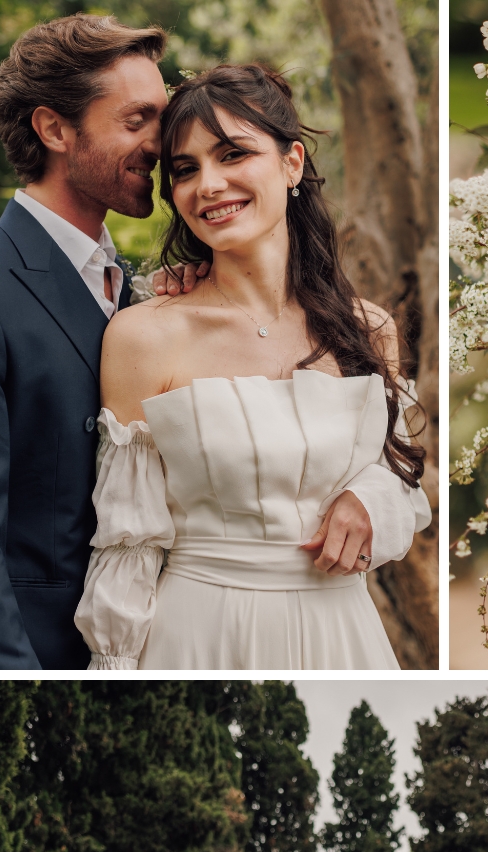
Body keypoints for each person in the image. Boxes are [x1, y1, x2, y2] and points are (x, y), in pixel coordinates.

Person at [72, 65, 431, 669]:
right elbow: (127, 541)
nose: (207, 185)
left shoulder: (368, 330)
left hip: (340, 634)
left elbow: (402, 474)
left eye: (232, 154)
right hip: (200, 634)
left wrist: (370, 499)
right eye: (185, 169)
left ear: (292, 164)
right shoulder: (143, 337)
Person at [0, 14, 168, 669]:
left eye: (162, 119)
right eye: (137, 120)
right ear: (53, 129)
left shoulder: (139, 293)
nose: (161, 144)